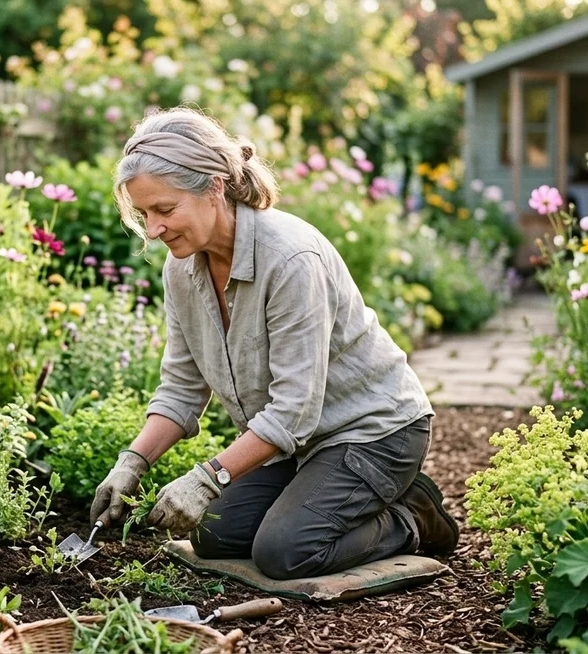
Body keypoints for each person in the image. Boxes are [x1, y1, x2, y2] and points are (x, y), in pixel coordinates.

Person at [89, 107, 459, 581]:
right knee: (215, 534)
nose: (155, 228)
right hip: (298, 445)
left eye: (165, 209)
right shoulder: (181, 269)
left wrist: (209, 476)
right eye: (144, 214)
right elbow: (182, 389)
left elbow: (293, 411)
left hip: (373, 432)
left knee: (285, 551)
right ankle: (338, 496)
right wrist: (132, 462)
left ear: (214, 187)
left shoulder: (289, 258)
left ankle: (410, 516)